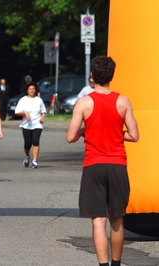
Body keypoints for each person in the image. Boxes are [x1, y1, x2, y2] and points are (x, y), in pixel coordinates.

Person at [66, 55, 139, 266]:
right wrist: (116, 133)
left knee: (98, 220)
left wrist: (85, 130)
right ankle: (117, 263)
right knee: (117, 219)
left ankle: (103, 265)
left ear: (93, 76)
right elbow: (134, 135)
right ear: (112, 76)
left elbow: (70, 137)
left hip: (94, 165)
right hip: (117, 165)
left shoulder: (84, 103)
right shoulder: (123, 101)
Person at [14, 81, 47, 169]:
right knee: (27, 144)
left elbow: (43, 110)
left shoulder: (39, 100)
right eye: (30, 89)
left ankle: (35, 161)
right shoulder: (23, 100)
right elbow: (17, 112)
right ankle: (27, 156)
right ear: (27, 90)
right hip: (26, 125)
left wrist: (43, 116)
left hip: (37, 124)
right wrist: (25, 112)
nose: (32, 91)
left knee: (36, 141)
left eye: (33, 89)